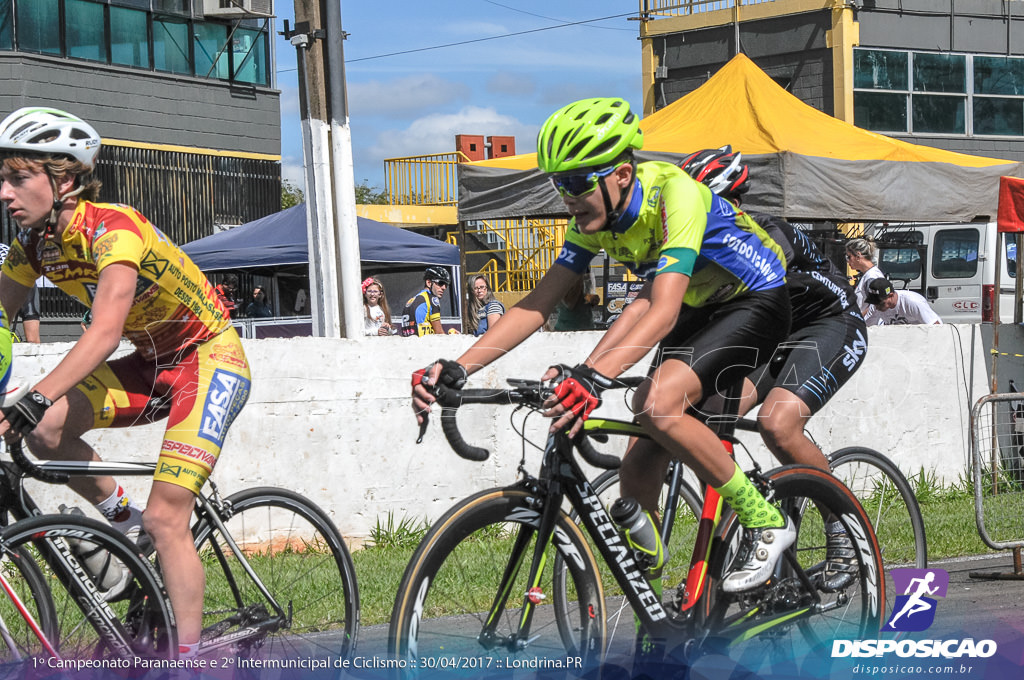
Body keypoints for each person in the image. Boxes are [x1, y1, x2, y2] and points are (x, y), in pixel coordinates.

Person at [413, 97, 795, 594]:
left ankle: (764, 518)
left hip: (755, 298)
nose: (566, 197)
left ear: (619, 174)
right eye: (558, 183)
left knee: (656, 404)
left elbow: (662, 310)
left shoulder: (674, 194)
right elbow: (536, 304)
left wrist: (592, 377)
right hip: (700, 303)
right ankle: (654, 582)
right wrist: (460, 366)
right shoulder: (591, 221)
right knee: (641, 454)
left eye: (574, 183)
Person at [0, 107, 251, 658]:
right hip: (150, 364)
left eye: (18, 178)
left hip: (208, 361)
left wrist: (33, 395)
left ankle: (186, 665)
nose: (4, 192)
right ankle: (124, 522)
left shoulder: (115, 228)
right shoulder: (33, 247)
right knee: (42, 433)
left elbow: (105, 332)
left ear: (62, 178)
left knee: (168, 519)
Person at [681, 146, 869, 590]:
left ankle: (842, 526)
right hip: (770, 334)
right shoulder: (696, 246)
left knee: (777, 423)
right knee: (702, 425)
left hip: (827, 323)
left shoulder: (768, 232)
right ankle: (752, 525)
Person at [863, 277, 942, 325]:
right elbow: (867, 327)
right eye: (874, 303)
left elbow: (935, 326)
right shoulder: (875, 307)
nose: (876, 307)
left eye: (879, 303)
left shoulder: (912, 302)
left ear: (890, 295)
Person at [400, 266, 450, 337]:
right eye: (440, 283)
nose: (444, 288)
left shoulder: (413, 299)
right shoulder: (432, 300)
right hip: (424, 344)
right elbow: (439, 333)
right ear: (429, 283)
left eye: (446, 285)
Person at [845, 238, 884, 316]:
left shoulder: (872, 277)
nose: (847, 261)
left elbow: (877, 306)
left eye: (849, 257)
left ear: (858, 256)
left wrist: (857, 319)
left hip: (870, 326)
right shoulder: (867, 275)